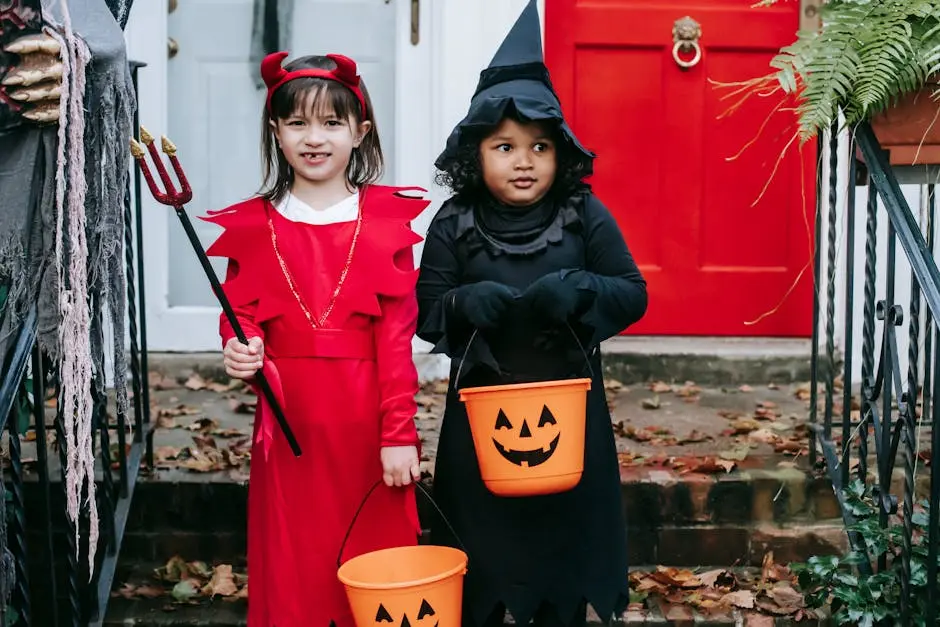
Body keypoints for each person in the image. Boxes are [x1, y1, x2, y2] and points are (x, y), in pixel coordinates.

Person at [415, 2, 648, 626]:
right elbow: (426, 313)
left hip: (567, 405)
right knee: (484, 542)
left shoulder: (582, 215)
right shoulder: (454, 224)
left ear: (559, 152)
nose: (524, 160)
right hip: (481, 408)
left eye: (539, 146)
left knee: (563, 544)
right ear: (476, 153)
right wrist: (462, 304)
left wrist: (583, 290)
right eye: (505, 146)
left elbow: (633, 292)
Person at [204, 50, 428, 627]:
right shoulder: (255, 225)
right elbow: (241, 311)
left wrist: (398, 434)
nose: (315, 138)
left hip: (366, 424)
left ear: (360, 132)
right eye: (298, 122)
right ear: (275, 131)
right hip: (290, 424)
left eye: (331, 123)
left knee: (374, 563)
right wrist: (240, 342)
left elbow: (396, 342)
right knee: (294, 559)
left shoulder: (384, 224)